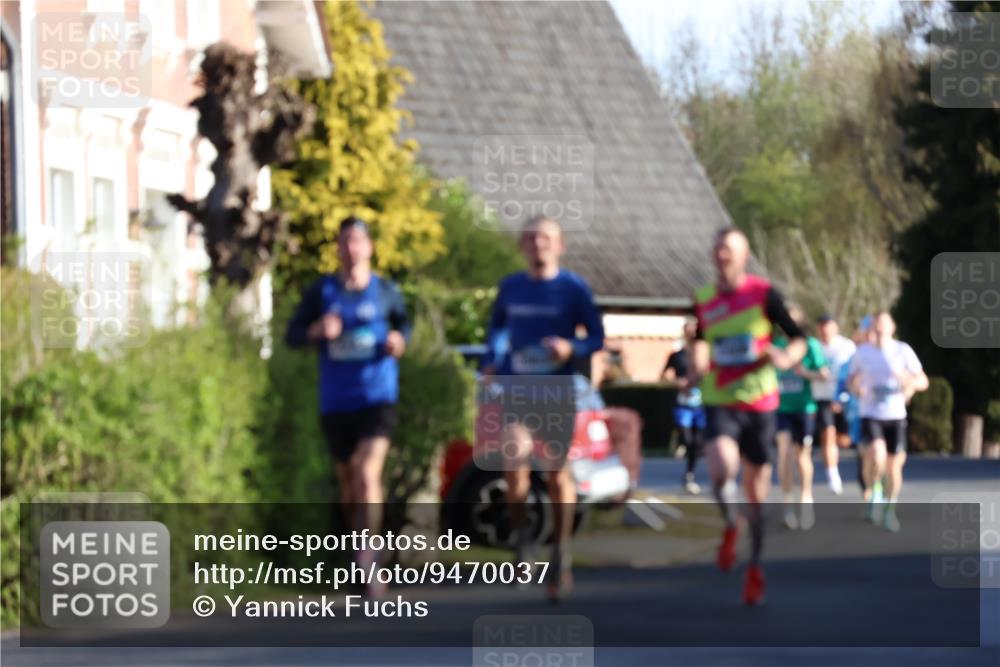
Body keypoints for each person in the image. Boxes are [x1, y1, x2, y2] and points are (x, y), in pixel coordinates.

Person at [285, 216, 409, 594]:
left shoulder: (386, 291)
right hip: (337, 400)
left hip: (378, 396)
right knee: (349, 481)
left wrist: (398, 341)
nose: (352, 248)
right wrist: (316, 331)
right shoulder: (322, 292)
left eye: (358, 241)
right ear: (338, 249)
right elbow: (291, 335)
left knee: (367, 471)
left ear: (369, 247)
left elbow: (404, 327)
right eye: (345, 242)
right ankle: (358, 548)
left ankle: (368, 557)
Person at [484, 215, 604, 602]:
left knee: (556, 474)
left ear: (560, 245)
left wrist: (572, 348)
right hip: (517, 390)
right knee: (514, 463)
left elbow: (597, 337)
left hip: (556, 393)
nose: (539, 245)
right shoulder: (512, 288)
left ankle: (561, 551)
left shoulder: (573, 289)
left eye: (546, 239)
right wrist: (493, 358)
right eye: (532, 239)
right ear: (522, 246)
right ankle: (523, 541)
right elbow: (497, 330)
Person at [689, 227, 807, 606]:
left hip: (759, 403)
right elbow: (700, 342)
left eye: (731, 250)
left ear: (744, 255)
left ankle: (755, 567)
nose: (723, 256)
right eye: (719, 249)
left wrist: (786, 357)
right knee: (722, 470)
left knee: (756, 495)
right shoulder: (704, 299)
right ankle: (728, 523)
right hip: (720, 397)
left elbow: (798, 337)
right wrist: (696, 363)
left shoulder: (763, 294)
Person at [848, 311, 928, 532]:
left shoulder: (902, 351)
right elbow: (851, 380)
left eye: (884, 324)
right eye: (876, 324)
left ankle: (890, 509)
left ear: (892, 327)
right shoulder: (862, 353)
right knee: (877, 453)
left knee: (894, 468)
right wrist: (857, 387)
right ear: (872, 328)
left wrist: (908, 380)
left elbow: (923, 381)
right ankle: (874, 491)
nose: (880, 328)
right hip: (871, 414)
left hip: (895, 416)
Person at [774, 306, 828, 531]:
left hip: (804, 408)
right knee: (783, 454)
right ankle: (787, 506)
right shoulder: (775, 345)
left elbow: (824, 374)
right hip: (780, 408)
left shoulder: (810, 345)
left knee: (801, 456)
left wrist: (805, 373)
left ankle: (805, 498)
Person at [811, 315, 856, 495]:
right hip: (822, 397)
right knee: (827, 434)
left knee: (845, 440)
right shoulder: (813, 346)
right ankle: (833, 474)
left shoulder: (846, 346)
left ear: (835, 328)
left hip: (845, 398)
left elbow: (854, 371)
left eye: (828, 327)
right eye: (822, 327)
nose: (825, 331)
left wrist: (844, 395)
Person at [662, 320, 706, 494]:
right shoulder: (676, 355)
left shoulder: (706, 354)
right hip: (683, 404)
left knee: (697, 443)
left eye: (695, 329)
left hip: (701, 405)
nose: (692, 332)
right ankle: (682, 445)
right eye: (689, 329)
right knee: (688, 440)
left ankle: (689, 473)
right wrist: (677, 382)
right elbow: (664, 375)